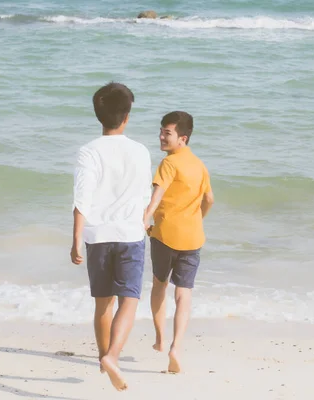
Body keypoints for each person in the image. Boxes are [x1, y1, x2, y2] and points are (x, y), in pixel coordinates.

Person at [71, 82, 151, 391]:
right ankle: (113, 357)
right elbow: (145, 195)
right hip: (130, 233)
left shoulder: (88, 151)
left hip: (98, 235)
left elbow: (82, 198)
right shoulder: (140, 151)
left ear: (98, 115)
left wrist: (76, 240)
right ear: (127, 116)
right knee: (128, 301)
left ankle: (104, 356)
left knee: (102, 305)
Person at [142, 111, 214, 373]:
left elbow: (156, 197)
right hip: (193, 237)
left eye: (167, 133)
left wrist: (145, 219)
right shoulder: (199, 165)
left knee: (159, 285)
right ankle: (176, 346)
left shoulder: (168, 163)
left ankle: (160, 337)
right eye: (161, 131)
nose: (161, 136)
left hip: (165, 236)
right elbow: (209, 200)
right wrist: (197, 220)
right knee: (184, 293)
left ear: (182, 138)